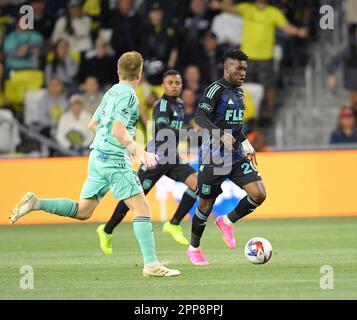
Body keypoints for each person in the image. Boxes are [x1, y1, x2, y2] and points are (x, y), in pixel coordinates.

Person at [9, 51, 180, 278]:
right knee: (142, 208)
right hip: (113, 160)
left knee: (83, 211)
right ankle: (151, 265)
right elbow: (118, 130)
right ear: (139, 73)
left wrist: (112, 143)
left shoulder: (111, 92)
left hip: (97, 157)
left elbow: (93, 124)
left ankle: (37, 203)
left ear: (119, 71)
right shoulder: (129, 96)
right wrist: (138, 150)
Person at [97, 69, 198, 254]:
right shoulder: (162, 105)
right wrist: (189, 133)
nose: (174, 86)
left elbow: (179, 129)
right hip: (156, 158)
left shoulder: (180, 105)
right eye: (170, 83)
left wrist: (194, 131)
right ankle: (106, 230)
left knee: (196, 184)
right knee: (133, 198)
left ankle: (174, 224)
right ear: (163, 86)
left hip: (172, 157)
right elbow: (161, 129)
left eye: (177, 83)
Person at [187, 49, 267, 265]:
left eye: (245, 69)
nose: (243, 73)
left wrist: (246, 143)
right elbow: (200, 118)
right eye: (239, 68)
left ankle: (227, 221)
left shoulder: (240, 93)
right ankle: (194, 248)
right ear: (227, 68)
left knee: (259, 194)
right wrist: (220, 134)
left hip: (236, 155)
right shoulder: (215, 90)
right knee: (205, 206)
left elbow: (235, 125)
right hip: (213, 157)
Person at [210, 0, 308, 122]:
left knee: (269, 88)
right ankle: (243, 113)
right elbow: (232, 9)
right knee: (242, 86)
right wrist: (219, 5)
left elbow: (286, 27)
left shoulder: (274, 13)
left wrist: (298, 32)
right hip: (247, 57)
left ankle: (269, 114)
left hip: (265, 57)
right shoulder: (247, 8)